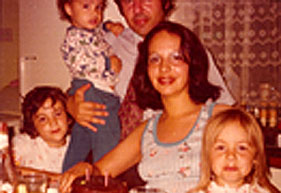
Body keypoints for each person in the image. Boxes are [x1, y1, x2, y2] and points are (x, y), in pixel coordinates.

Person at [60, 21, 230, 193]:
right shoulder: (148, 129)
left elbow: (255, 178)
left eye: (176, 57)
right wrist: (84, 168)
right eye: (155, 59)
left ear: (193, 64)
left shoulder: (219, 117)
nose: (164, 68)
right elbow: (100, 171)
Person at [68, 0, 235, 139]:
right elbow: (77, 89)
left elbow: (227, 112)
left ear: (165, 2)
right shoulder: (103, 45)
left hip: (171, 152)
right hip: (111, 151)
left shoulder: (190, 50)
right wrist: (72, 106)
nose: (138, 8)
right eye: (128, 0)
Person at [57, 0, 124, 172]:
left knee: (82, 138)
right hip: (93, 90)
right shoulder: (74, 37)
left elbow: (100, 33)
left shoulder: (90, 31)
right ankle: (106, 182)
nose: (94, 13)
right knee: (107, 137)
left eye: (98, 7)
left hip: (92, 89)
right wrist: (109, 64)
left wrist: (108, 25)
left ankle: (67, 175)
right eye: (86, 6)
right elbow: (80, 62)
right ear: (69, 8)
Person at [185, 108, 281, 193]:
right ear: (208, 157)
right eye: (221, 147)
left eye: (242, 148)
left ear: (255, 157)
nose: (231, 156)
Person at [13, 86, 72, 175]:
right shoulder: (24, 143)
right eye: (43, 119)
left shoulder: (77, 146)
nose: (53, 123)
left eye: (58, 114)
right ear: (32, 124)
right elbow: (8, 169)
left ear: (68, 115)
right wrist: (55, 178)